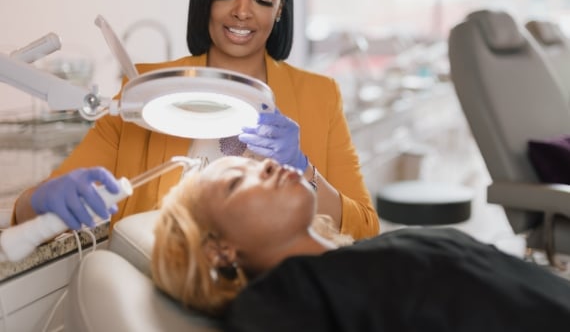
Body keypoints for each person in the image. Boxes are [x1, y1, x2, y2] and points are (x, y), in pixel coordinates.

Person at [12, 0, 379, 239]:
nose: (242, 11)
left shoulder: (319, 96)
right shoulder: (144, 91)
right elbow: (35, 214)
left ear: (280, 5)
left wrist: (303, 170)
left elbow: (364, 227)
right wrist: (42, 200)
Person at [151, 156, 570, 331]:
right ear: (218, 250)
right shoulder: (276, 300)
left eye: (256, 161)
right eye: (237, 181)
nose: (267, 165)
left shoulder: (362, 255)